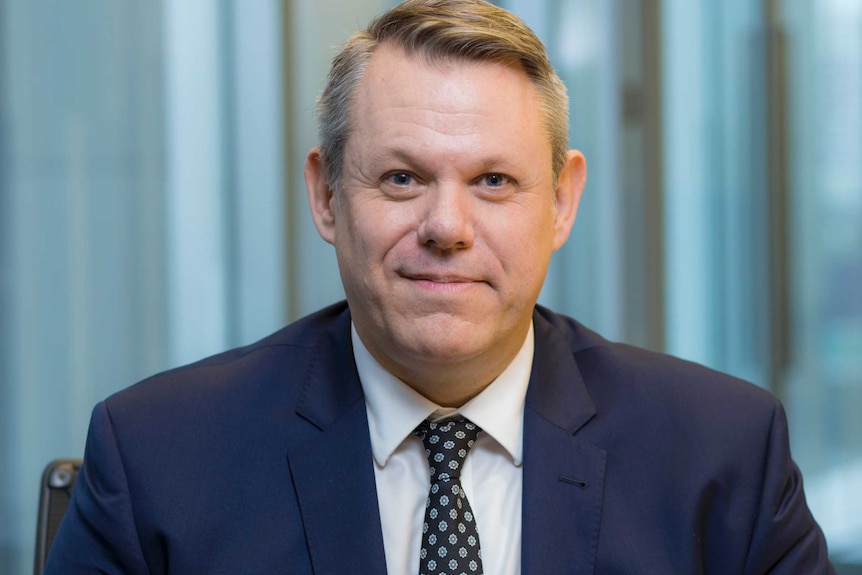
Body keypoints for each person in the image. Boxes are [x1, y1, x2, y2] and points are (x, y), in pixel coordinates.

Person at [46, 0, 834, 573]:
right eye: (401, 177)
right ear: (325, 195)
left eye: (493, 180)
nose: (446, 225)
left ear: (561, 201)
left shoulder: (723, 456)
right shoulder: (155, 459)